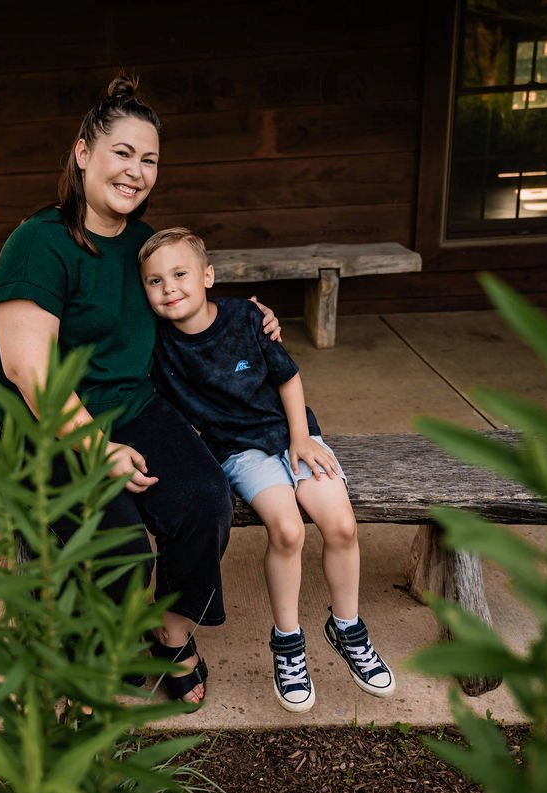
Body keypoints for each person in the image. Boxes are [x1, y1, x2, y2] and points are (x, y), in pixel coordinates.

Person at [0, 76, 279, 705]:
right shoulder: (40, 243)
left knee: (205, 499)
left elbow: (188, 306)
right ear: (83, 152)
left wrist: (248, 320)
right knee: (118, 543)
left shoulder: (145, 246)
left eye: (149, 160)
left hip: (129, 407)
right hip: (36, 425)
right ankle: (92, 663)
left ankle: (168, 639)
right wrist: (95, 447)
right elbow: (30, 370)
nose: (136, 172)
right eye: (122, 153)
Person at [139, 227, 396, 713]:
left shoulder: (245, 317)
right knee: (287, 530)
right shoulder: (157, 344)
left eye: (179, 274)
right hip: (240, 452)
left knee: (341, 524)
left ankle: (348, 630)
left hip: (294, 435)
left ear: (208, 276)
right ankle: (288, 642)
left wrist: (301, 438)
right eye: (155, 281)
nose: (169, 287)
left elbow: (289, 377)